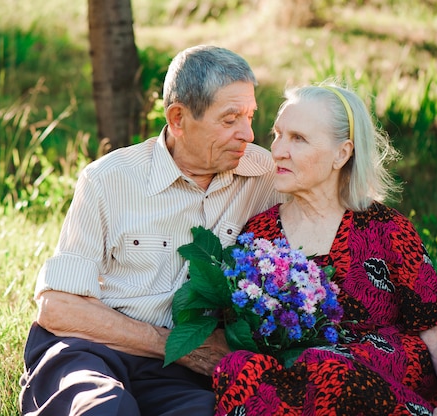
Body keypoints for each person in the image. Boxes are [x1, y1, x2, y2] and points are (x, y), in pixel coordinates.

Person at [18, 45, 283, 416]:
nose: (249, 134)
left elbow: (337, 192)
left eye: (250, 116)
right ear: (178, 118)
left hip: (176, 373)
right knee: (104, 409)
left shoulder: (264, 176)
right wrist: (180, 344)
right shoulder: (108, 179)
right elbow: (56, 308)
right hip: (91, 349)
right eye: (230, 119)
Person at [213, 83, 437, 416]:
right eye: (277, 134)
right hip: (297, 381)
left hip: (379, 373)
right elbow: (242, 330)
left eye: (298, 139)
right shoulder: (260, 234)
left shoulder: (387, 229)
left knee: (327, 366)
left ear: (342, 153)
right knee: (238, 367)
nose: (278, 150)